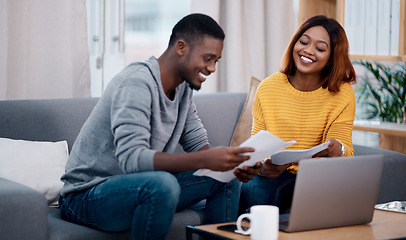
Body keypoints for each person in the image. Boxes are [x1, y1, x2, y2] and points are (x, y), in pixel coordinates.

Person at [59, 13, 260, 240]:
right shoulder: (137, 82)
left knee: (224, 180)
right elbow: (133, 160)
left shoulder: (184, 88)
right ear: (181, 47)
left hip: (142, 188)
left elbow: (197, 143)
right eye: (208, 58)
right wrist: (206, 160)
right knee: (162, 183)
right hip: (87, 196)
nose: (212, 68)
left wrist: (231, 165)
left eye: (216, 61)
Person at [240, 15, 357, 214]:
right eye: (303, 42)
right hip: (275, 175)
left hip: (318, 176)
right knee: (254, 189)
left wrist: (339, 149)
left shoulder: (342, 93)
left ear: (331, 59)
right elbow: (256, 144)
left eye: (320, 49)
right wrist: (263, 166)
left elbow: (345, 150)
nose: (308, 51)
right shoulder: (268, 87)